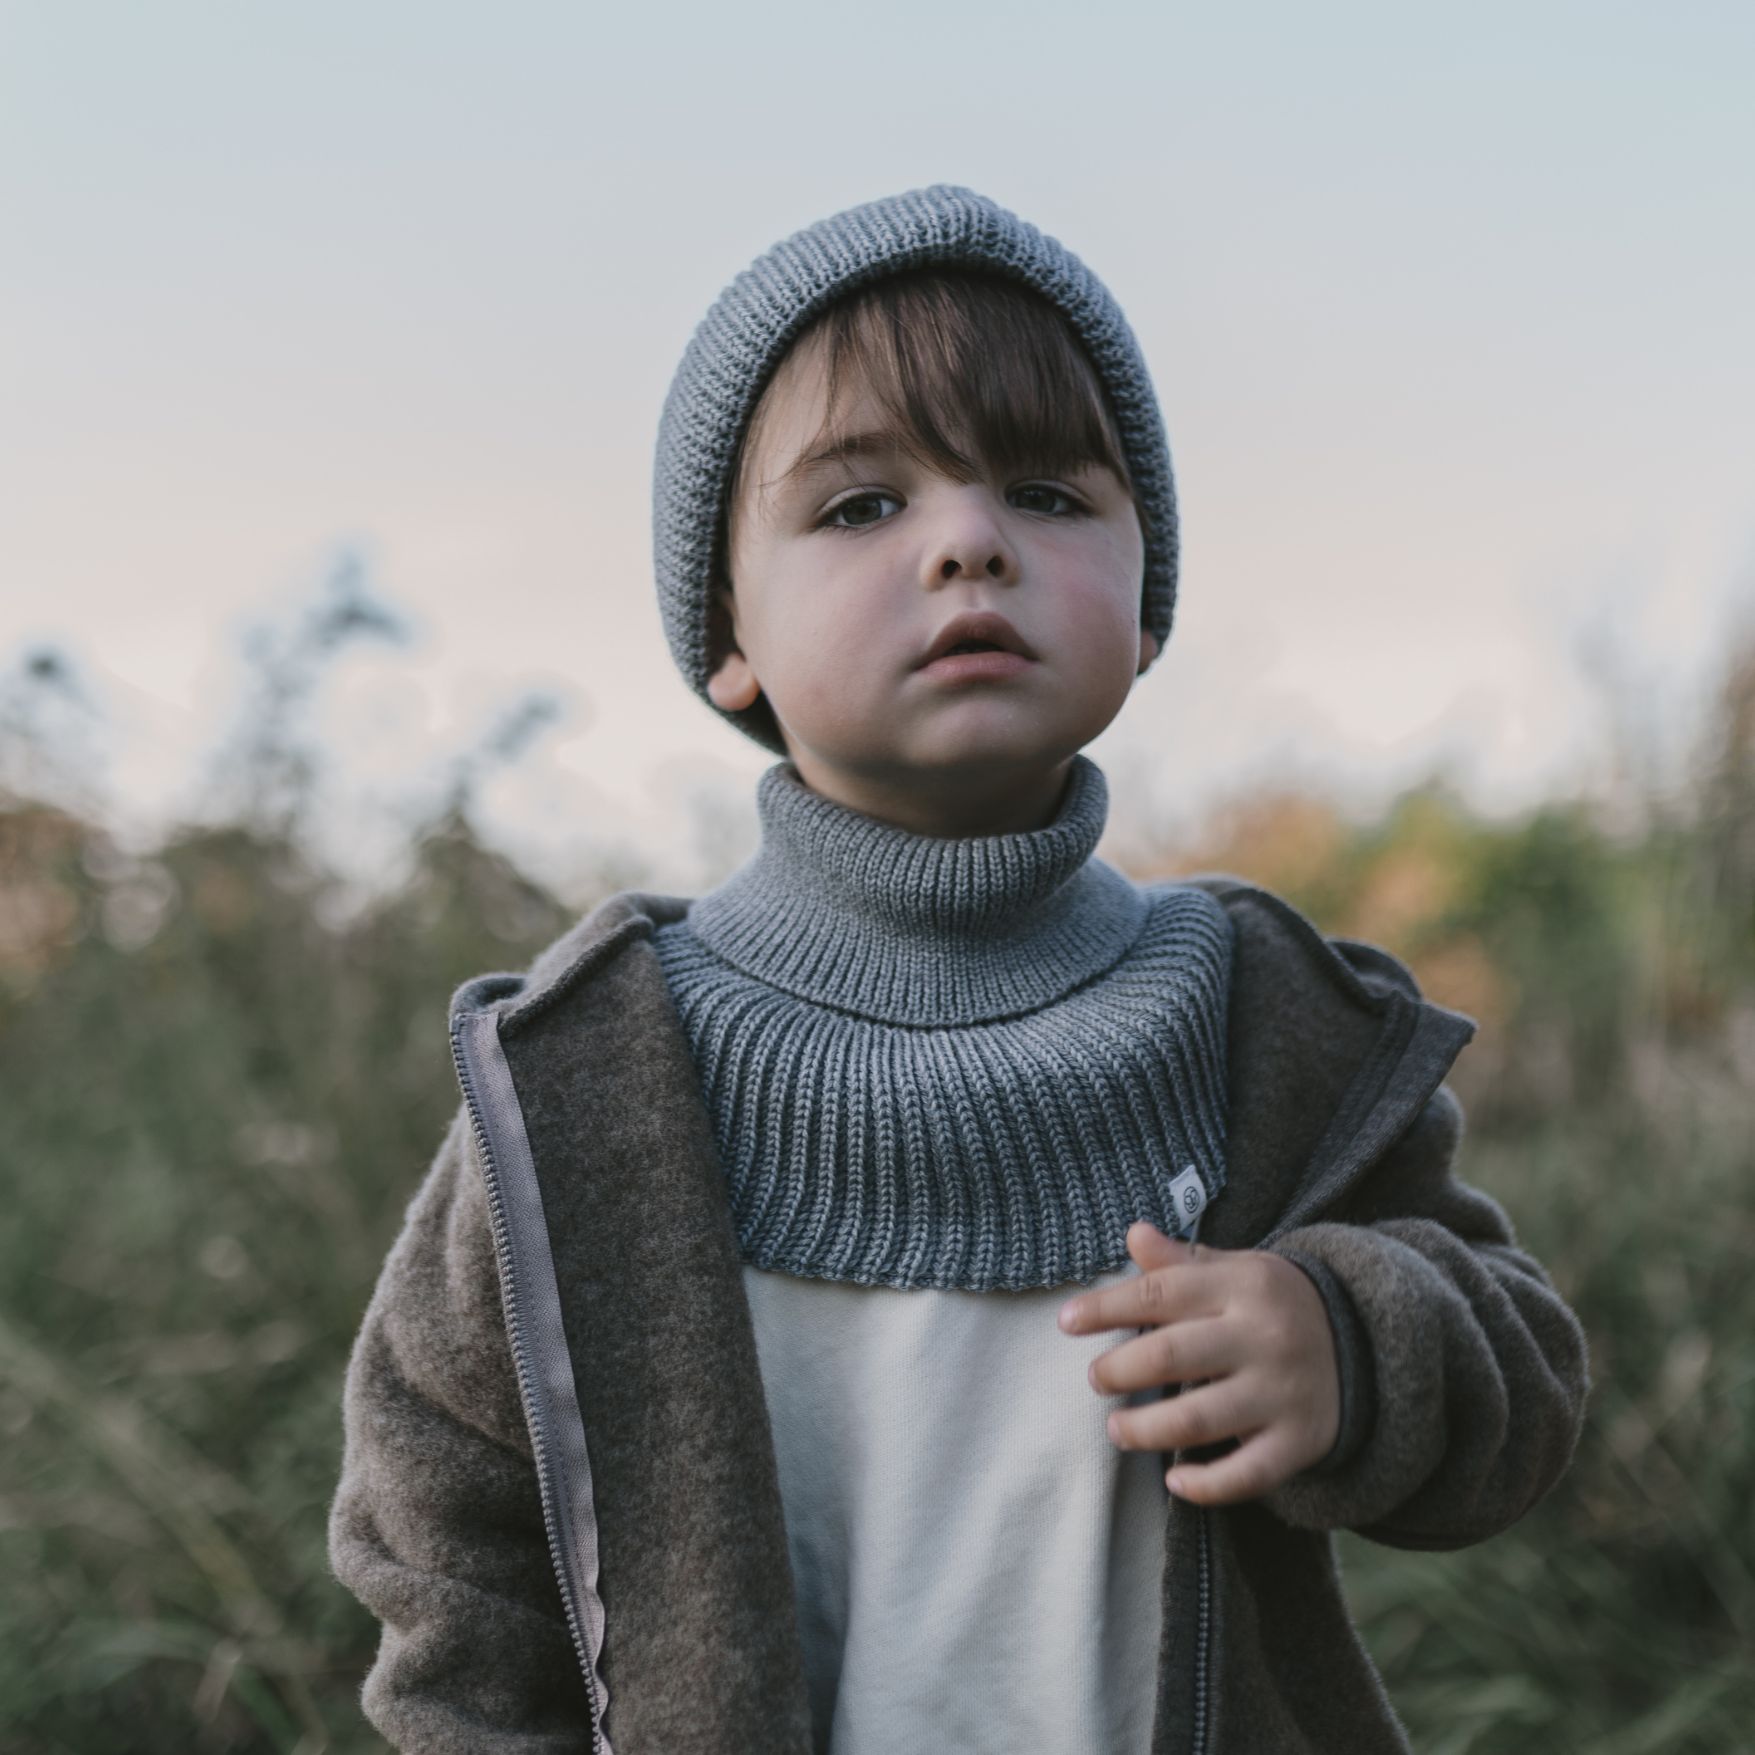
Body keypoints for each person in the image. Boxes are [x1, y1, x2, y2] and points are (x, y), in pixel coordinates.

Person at [327, 183, 1591, 1755]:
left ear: (1145, 604)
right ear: (728, 632)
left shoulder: (1260, 1015)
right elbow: (438, 1534)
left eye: (1052, 494)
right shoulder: (597, 1069)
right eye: (861, 507)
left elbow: (1522, 1383)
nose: (971, 544)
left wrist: (1347, 1342)